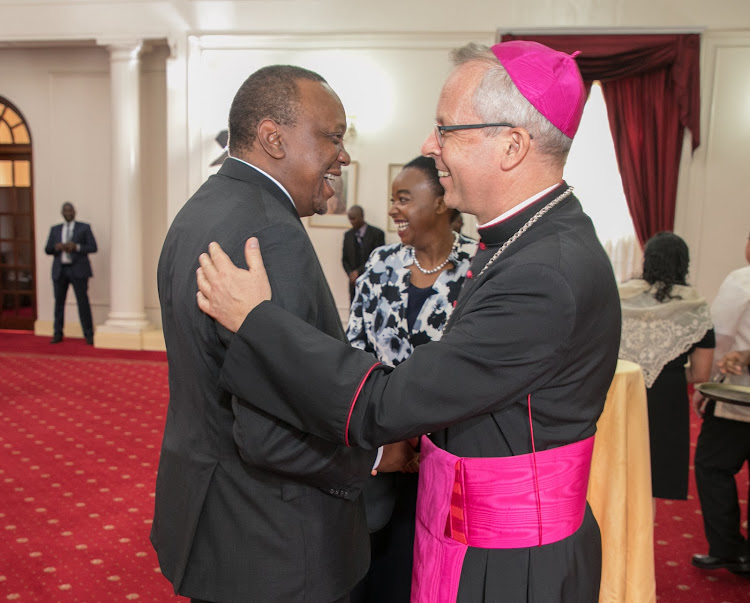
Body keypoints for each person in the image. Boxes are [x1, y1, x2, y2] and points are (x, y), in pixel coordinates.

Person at [196, 41, 622, 601]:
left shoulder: (543, 273)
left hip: (510, 562)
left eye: (446, 130)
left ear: (512, 145)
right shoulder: (531, 240)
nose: (429, 147)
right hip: (475, 536)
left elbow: (388, 405)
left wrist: (257, 322)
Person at [151, 65, 413, 603]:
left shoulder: (199, 210)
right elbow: (270, 435)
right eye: (333, 138)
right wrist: (375, 457)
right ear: (273, 138)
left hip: (214, 521)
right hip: (275, 542)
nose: (343, 157)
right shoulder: (271, 235)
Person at [349, 156, 477, 602]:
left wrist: (424, 438)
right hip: (381, 452)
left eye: (404, 199)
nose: (393, 210)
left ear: (442, 201)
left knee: (425, 575)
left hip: (447, 454)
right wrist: (388, 439)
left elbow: (478, 371)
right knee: (372, 570)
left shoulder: (477, 270)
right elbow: (354, 351)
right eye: (392, 200)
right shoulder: (380, 263)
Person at [618, 232, 715, 502]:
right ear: (683, 263)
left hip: (621, 390)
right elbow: (701, 373)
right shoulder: (694, 306)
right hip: (668, 394)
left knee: (615, 470)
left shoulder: (619, 297)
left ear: (647, 260)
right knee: (651, 481)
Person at [692, 229, 750, 573]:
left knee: (712, 467)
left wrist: (705, 387)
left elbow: (721, 337)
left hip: (737, 401)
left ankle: (730, 546)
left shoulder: (741, 281)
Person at [44, 202, 97, 345]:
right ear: (62, 212)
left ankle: (89, 334)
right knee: (59, 304)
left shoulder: (84, 228)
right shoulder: (55, 230)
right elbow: (47, 249)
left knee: (83, 303)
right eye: (65, 211)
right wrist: (57, 247)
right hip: (60, 271)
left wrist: (76, 247)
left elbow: (93, 247)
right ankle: (57, 333)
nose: (68, 213)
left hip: (78, 271)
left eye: (70, 210)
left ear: (75, 212)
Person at [342, 205, 385, 302]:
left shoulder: (377, 234)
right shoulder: (348, 235)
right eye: (350, 219)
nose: (351, 222)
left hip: (372, 281)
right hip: (354, 284)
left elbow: (378, 258)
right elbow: (344, 259)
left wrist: (359, 272)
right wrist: (351, 274)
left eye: (354, 218)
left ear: (362, 216)